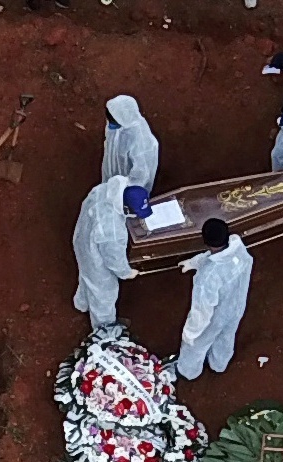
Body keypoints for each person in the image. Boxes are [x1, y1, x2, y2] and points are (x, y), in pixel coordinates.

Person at [176, 219, 253, 380]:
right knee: (227, 336)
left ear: (205, 242)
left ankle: (188, 372)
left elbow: (202, 310)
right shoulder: (239, 248)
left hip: (215, 317)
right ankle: (219, 365)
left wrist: (190, 334)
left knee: (197, 345)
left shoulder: (208, 276)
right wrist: (194, 262)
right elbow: (218, 256)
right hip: (237, 307)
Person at [72, 176, 146, 331]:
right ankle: (104, 329)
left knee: (86, 275)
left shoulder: (104, 190)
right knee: (103, 295)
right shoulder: (112, 230)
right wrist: (126, 272)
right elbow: (113, 260)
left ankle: (81, 303)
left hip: (82, 239)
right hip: (96, 258)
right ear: (126, 209)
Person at [101, 95, 159, 189]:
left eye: (114, 122)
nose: (110, 126)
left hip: (132, 189)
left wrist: (121, 187)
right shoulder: (116, 127)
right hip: (116, 180)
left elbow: (141, 175)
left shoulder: (141, 141)